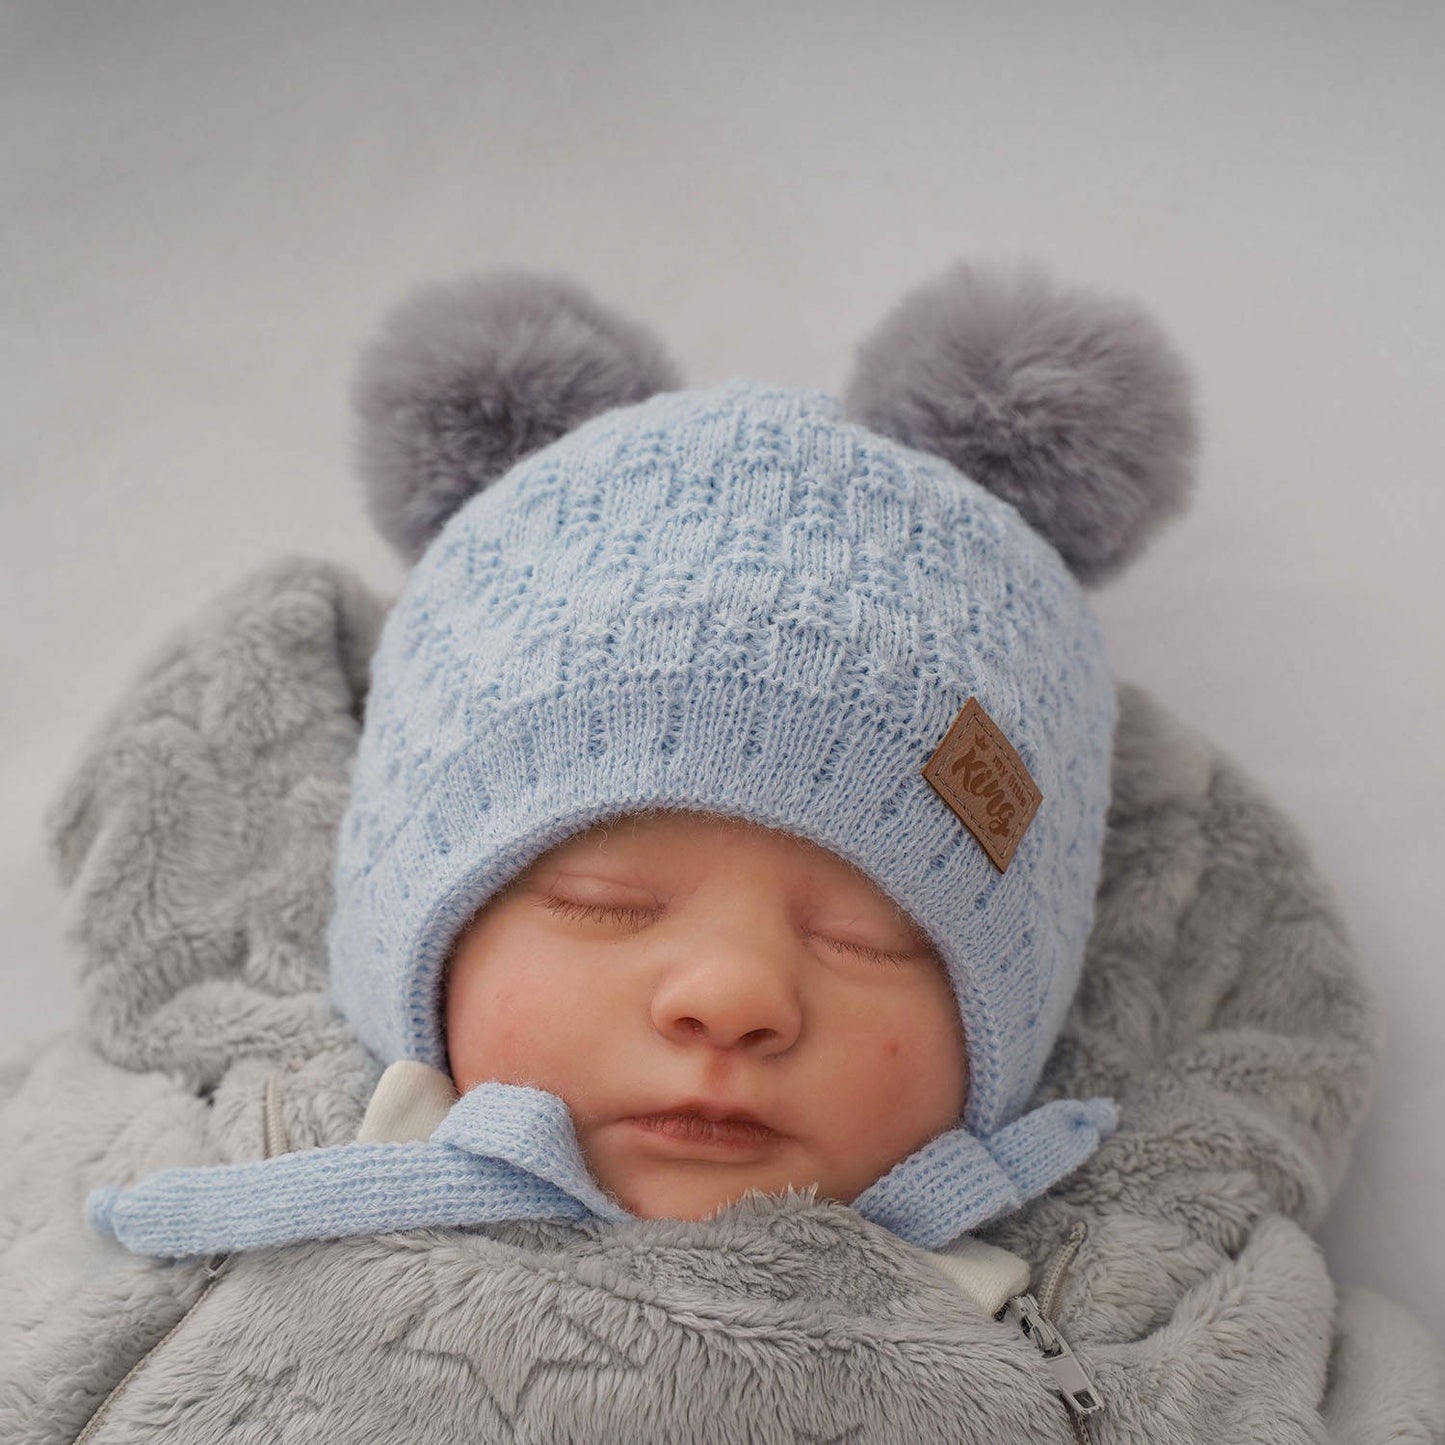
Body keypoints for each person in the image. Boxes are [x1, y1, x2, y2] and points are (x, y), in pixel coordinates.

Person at [10, 264, 1443, 1443]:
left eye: (871, 936)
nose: (731, 994)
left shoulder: (1149, 1327)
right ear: (409, 934)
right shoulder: (175, 1187)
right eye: (602, 899)